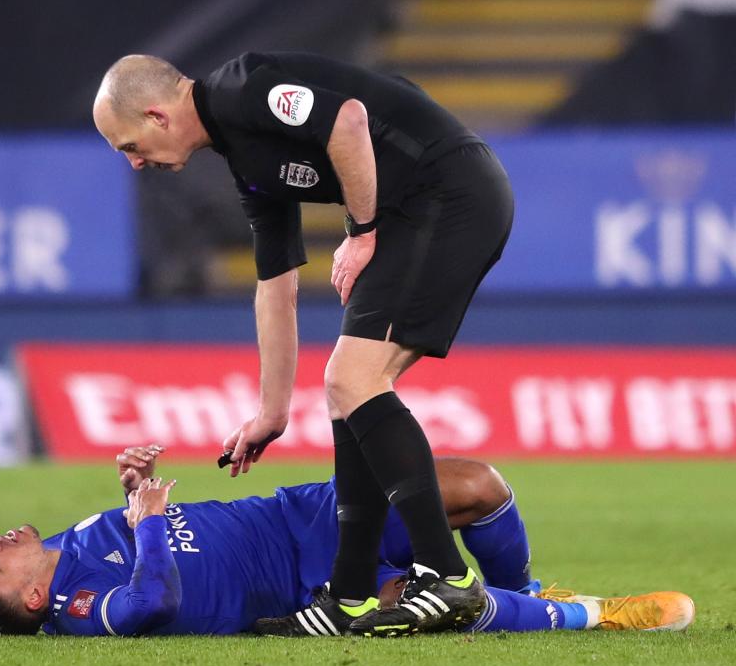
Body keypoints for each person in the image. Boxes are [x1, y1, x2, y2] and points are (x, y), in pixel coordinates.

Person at [92, 51, 515, 636]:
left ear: (157, 115)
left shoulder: (240, 90)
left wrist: (361, 232)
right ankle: (351, 595)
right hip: (420, 207)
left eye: (129, 146)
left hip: (445, 195)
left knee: (352, 380)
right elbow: (275, 288)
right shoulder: (245, 160)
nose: (135, 164)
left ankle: (449, 577)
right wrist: (272, 411)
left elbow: (347, 120)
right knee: (347, 393)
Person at [0, 446, 694, 637]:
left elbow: (149, 542)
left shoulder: (73, 546)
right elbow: (151, 599)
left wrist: (134, 489)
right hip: (306, 584)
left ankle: (533, 590)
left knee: (480, 485)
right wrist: (144, 525)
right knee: (439, 605)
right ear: (32, 597)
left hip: (298, 513)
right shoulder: (78, 608)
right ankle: (595, 613)